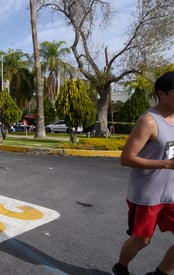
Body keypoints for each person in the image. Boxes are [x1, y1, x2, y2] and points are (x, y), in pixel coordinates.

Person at [112, 72, 174, 275]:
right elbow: (126, 158)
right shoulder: (149, 121)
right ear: (162, 94)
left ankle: (161, 273)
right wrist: (165, 164)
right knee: (142, 240)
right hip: (147, 196)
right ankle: (121, 266)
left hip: (172, 194)